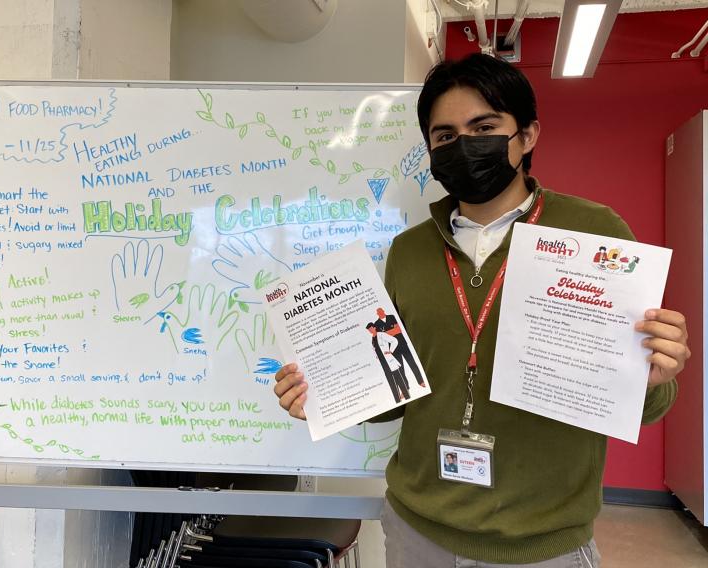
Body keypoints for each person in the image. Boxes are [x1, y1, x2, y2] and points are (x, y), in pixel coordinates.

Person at [274, 53, 690, 567]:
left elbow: (645, 406)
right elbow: (398, 395)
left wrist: (654, 375)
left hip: (542, 542)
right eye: (444, 135)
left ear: (528, 135)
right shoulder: (408, 252)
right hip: (416, 529)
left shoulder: (593, 232)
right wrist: (323, 390)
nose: (464, 145)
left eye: (484, 126)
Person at [373, 307, 426, 388]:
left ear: (384, 311)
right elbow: (382, 337)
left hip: (402, 343)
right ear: (377, 314)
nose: (381, 313)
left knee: (412, 362)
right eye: (379, 312)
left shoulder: (392, 317)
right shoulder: (376, 324)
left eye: (381, 311)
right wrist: (391, 332)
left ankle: (421, 381)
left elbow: (398, 330)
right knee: (400, 368)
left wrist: (386, 333)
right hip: (391, 349)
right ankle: (406, 387)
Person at [367, 322, 411, 403]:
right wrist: (376, 356)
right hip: (383, 363)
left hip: (389, 361)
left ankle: (407, 396)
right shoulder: (372, 339)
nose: (370, 331)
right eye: (368, 330)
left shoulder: (381, 335)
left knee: (399, 378)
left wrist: (391, 351)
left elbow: (394, 340)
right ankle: (397, 400)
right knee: (391, 382)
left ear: (374, 328)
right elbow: (374, 349)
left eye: (370, 329)